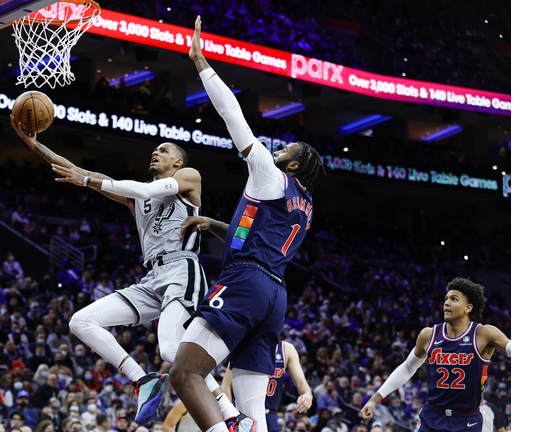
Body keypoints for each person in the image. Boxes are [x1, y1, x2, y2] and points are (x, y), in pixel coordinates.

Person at [12, 86, 224, 426]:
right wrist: (36, 145)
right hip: (151, 277)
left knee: (171, 350)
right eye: (154, 149)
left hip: (182, 268)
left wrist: (86, 181)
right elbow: (77, 169)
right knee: (80, 321)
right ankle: (143, 379)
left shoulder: (188, 177)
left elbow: (137, 188)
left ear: (178, 161)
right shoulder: (134, 197)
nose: (156, 152)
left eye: (164, 150)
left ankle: (228, 412)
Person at [169, 15, 323, 432]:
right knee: (257, 414)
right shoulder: (304, 203)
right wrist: (215, 224)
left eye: (284, 147)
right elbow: (254, 235)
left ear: (292, 163)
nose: (275, 147)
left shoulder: (271, 175)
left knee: (184, 373)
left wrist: (201, 62)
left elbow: (232, 115)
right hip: (274, 296)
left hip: (245, 283)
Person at [360, 278, 512, 432]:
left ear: (468, 308)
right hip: (432, 417)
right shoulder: (429, 335)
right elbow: (407, 368)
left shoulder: (483, 333)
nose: (446, 303)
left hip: (467, 420)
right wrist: (374, 400)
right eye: (446, 299)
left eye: (454, 299)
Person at [218, 339, 313, 432]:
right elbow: (226, 385)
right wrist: (230, 414)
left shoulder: (286, 349)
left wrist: (307, 394)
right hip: (245, 414)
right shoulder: (244, 345)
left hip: (271, 414)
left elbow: (301, 383)